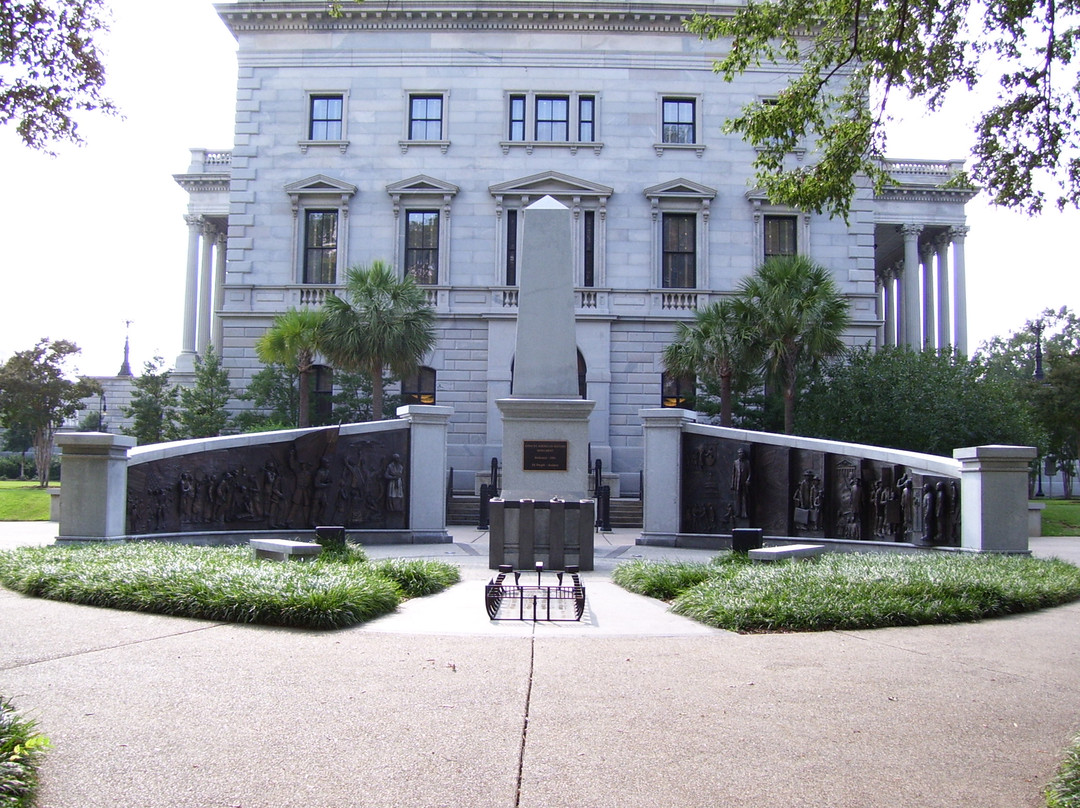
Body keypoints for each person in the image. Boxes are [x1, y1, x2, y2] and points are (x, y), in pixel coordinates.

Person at [731, 447, 751, 519]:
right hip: (737, 483)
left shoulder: (747, 462)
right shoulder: (735, 462)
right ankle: (738, 512)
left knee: (745, 498)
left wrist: (748, 480)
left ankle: (745, 512)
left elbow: (750, 473)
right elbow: (733, 474)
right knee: (738, 499)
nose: (740, 454)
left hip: (744, 483)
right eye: (739, 453)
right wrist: (732, 484)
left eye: (742, 453)